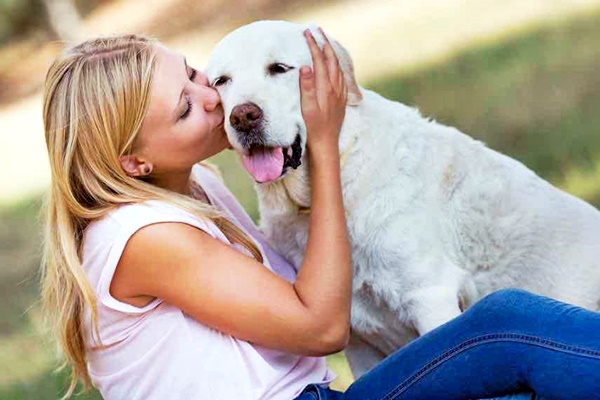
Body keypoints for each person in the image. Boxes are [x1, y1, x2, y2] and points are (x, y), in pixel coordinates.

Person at [39, 31, 600, 400]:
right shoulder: (145, 238)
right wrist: (324, 147)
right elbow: (323, 325)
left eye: (192, 74)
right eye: (185, 107)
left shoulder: (196, 189)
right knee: (500, 328)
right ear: (133, 161)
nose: (214, 100)